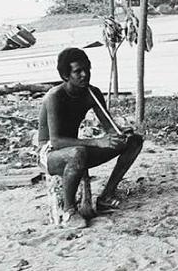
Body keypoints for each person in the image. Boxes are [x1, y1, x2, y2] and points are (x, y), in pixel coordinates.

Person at [37, 47, 144, 228]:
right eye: (78, 71)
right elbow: (55, 141)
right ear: (65, 75)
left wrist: (120, 133)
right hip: (50, 154)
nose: (85, 75)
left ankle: (106, 196)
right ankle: (69, 211)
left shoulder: (91, 92)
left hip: (75, 151)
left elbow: (109, 128)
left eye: (87, 69)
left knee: (133, 141)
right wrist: (96, 141)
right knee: (77, 153)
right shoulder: (55, 97)